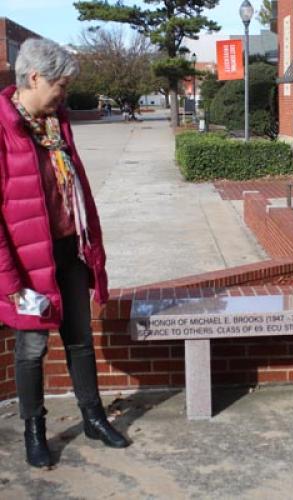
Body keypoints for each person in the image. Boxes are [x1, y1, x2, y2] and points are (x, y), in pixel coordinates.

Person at [0, 38, 129, 469]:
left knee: (80, 339)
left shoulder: (58, 125)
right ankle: (35, 431)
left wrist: (91, 246)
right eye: (60, 84)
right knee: (32, 347)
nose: (64, 93)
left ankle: (93, 417)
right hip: (26, 261)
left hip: (69, 247)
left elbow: (76, 191)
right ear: (34, 78)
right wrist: (12, 283)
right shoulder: (3, 130)